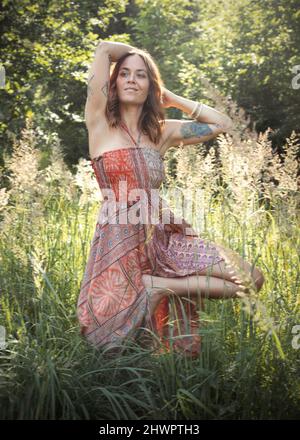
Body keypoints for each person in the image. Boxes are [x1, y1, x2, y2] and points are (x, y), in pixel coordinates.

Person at [77, 40, 265, 357]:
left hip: (164, 235)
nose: (132, 80)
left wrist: (172, 99)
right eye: (124, 74)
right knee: (113, 344)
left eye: (141, 75)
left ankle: (160, 286)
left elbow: (223, 124)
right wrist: (135, 54)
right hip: (118, 239)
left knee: (251, 279)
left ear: (151, 86)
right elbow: (104, 49)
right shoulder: (99, 124)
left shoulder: (162, 132)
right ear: (114, 81)